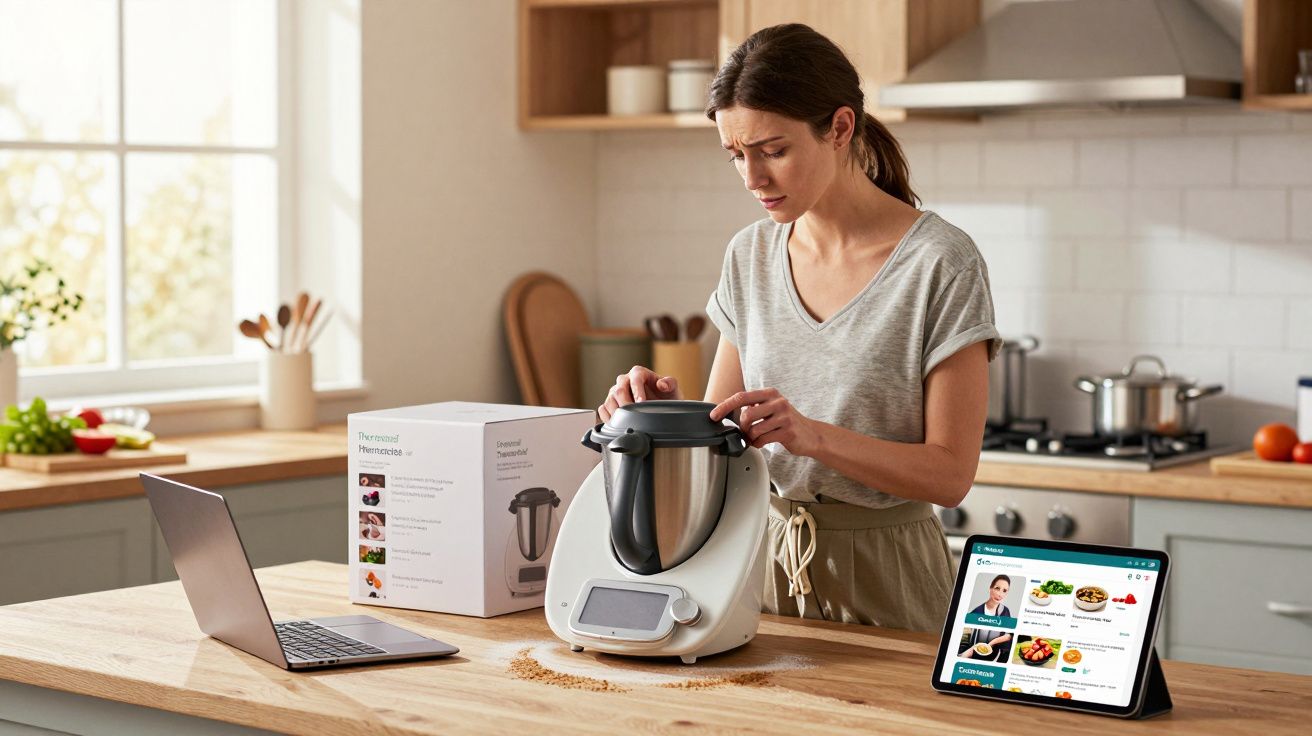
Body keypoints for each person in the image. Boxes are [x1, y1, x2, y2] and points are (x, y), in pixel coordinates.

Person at [598, 24, 1000, 632]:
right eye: (736, 155)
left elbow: (950, 476)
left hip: (888, 578)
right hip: (753, 562)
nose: (751, 178)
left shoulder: (940, 262)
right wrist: (661, 415)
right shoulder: (750, 254)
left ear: (839, 128)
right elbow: (724, 436)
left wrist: (813, 436)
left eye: (772, 150)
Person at [964, 575, 1014, 659]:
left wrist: (992, 643)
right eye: (997, 588)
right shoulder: (976, 611)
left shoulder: (1005, 611)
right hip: (973, 654)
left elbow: (1009, 635)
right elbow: (965, 634)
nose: (1000, 594)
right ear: (990, 588)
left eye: (1004, 591)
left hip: (996, 657)